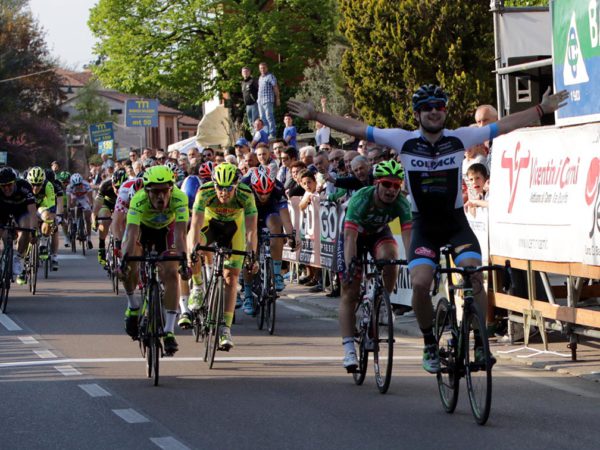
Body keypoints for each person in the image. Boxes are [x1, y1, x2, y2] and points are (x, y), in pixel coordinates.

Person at [288, 83, 568, 373]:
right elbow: (357, 128)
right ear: (417, 114)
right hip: (425, 227)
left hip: (456, 224)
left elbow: (503, 125)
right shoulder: (403, 140)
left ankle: (480, 341)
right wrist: (316, 116)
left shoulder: (460, 137)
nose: (434, 112)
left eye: (439, 107)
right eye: (427, 108)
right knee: (420, 284)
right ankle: (429, 342)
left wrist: (541, 109)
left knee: (474, 275)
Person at [337, 160, 412, 370]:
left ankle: (381, 302)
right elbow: (350, 238)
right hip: (352, 235)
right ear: (377, 183)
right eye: (387, 184)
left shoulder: (402, 203)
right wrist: (351, 265)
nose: (392, 190)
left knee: (391, 256)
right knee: (350, 290)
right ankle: (349, 349)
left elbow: (408, 238)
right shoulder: (361, 199)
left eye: (396, 185)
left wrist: (414, 262)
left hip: (378, 233)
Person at [187, 163, 258, 350]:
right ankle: (198, 287)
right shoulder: (205, 192)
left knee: (231, 277)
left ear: (236, 186)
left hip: (234, 229)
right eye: (220, 187)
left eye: (229, 188)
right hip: (210, 224)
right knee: (194, 248)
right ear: (214, 184)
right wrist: (193, 249)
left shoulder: (246, 195)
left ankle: (225, 329)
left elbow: (252, 230)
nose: (223, 193)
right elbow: (195, 224)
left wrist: (252, 256)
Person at [121, 166, 190, 356]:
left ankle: (169, 331)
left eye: (165, 191)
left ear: (171, 189)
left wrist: (184, 261)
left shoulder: (180, 198)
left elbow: (180, 234)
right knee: (129, 264)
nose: (161, 197)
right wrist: (124, 261)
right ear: (146, 191)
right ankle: (133, 306)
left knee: (172, 273)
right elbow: (131, 233)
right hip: (143, 230)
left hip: (167, 231)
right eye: (155, 192)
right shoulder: (138, 199)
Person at [239, 167, 295, 314]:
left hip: (270, 212)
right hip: (249, 214)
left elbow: (286, 219)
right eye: (260, 193)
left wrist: (291, 235)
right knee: (250, 254)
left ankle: (276, 274)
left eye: (267, 193)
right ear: (253, 187)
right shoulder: (244, 187)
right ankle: (248, 295)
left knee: (276, 226)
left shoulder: (277, 188)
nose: (264, 196)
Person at [0, 167, 37, 284]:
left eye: (9, 185)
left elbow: (32, 210)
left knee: (26, 228)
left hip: (20, 211)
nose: (6, 188)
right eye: (3, 186)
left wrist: (34, 230)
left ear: (15, 182)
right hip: (2, 211)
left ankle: (18, 257)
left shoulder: (24, 187)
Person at [92, 169, 127, 266]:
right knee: (104, 219)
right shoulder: (105, 185)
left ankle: (123, 246)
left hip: (122, 205)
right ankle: (101, 247)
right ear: (112, 184)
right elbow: (97, 204)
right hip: (107, 204)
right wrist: (94, 218)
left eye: (121, 187)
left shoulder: (130, 186)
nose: (118, 190)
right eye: (116, 187)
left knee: (123, 222)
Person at [27, 167, 58, 268]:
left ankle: (43, 243)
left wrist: (52, 221)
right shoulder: (25, 185)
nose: (35, 188)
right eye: (33, 184)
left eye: (39, 184)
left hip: (42, 206)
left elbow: (52, 207)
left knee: (48, 217)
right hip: (28, 207)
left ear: (43, 182)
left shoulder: (48, 186)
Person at [66, 173, 94, 250]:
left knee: (88, 218)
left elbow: (90, 198)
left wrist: (91, 206)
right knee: (72, 204)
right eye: (76, 185)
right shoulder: (69, 187)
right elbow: (69, 201)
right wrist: (69, 209)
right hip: (75, 198)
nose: (78, 186)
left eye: (79, 184)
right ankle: (74, 221)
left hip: (84, 198)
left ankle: (89, 239)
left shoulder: (86, 185)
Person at [257, 62, 280, 139]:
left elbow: (275, 87)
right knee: (262, 118)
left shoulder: (270, 76)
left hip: (268, 99)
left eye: (264, 68)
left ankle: (272, 133)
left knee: (269, 116)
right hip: (260, 101)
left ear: (267, 68)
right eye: (261, 68)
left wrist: (277, 98)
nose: (262, 69)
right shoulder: (260, 78)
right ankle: (266, 134)